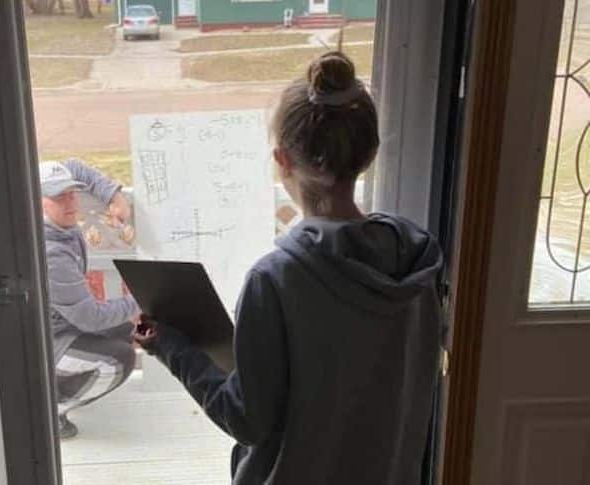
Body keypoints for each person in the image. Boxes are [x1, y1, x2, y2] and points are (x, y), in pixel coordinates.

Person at [134, 52, 443, 484]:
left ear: (282, 160)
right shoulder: (416, 263)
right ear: (369, 152)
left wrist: (170, 346)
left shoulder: (276, 280)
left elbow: (245, 420)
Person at [40, 159, 140, 440]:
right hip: (46, 344)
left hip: (61, 325)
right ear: (38, 202)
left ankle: (59, 387)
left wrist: (114, 195)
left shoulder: (57, 227)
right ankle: (50, 410)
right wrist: (138, 301)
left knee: (126, 332)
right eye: (58, 197)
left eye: (71, 193)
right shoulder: (51, 253)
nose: (70, 202)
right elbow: (90, 317)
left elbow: (76, 168)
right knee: (120, 360)